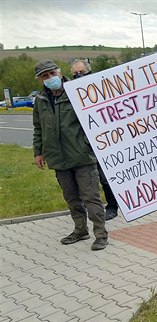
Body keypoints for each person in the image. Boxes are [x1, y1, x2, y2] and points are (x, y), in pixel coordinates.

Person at [32, 59, 108, 251]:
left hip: (82, 156)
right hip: (58, 159)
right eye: (45, 76)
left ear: (59, 72)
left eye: (52, 74)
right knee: (72, 198)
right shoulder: (40, 100)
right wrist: (38, 152)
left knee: (91, 197)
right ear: (40, 80)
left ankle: (101, 234)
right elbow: (38, 128)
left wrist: (89, 144)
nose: (50, 78)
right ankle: (80, 230)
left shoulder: (77, 91)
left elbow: (96, 119)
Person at [70, 59, 118, 220]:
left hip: (101, 141)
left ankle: (112, 206)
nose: (78, 76)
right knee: (86, 180)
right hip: (80, 144)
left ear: (89, 72)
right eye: (75, 73)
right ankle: (90, 207)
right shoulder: (69, 92)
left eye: (81, 73)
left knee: (105, 177)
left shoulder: (98, 88)